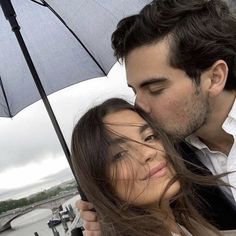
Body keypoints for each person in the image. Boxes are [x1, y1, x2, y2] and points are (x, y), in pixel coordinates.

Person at [78, 0, 236, 234]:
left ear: (214, 78)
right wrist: (109, 218)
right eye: (134, 90)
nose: (139, 106)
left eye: (155, 89)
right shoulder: (170, 165)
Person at [71, 98, 228, 236]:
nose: (149, 152)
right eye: (120, 154)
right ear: (99, 181)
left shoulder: (187, 224)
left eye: (149, 137)